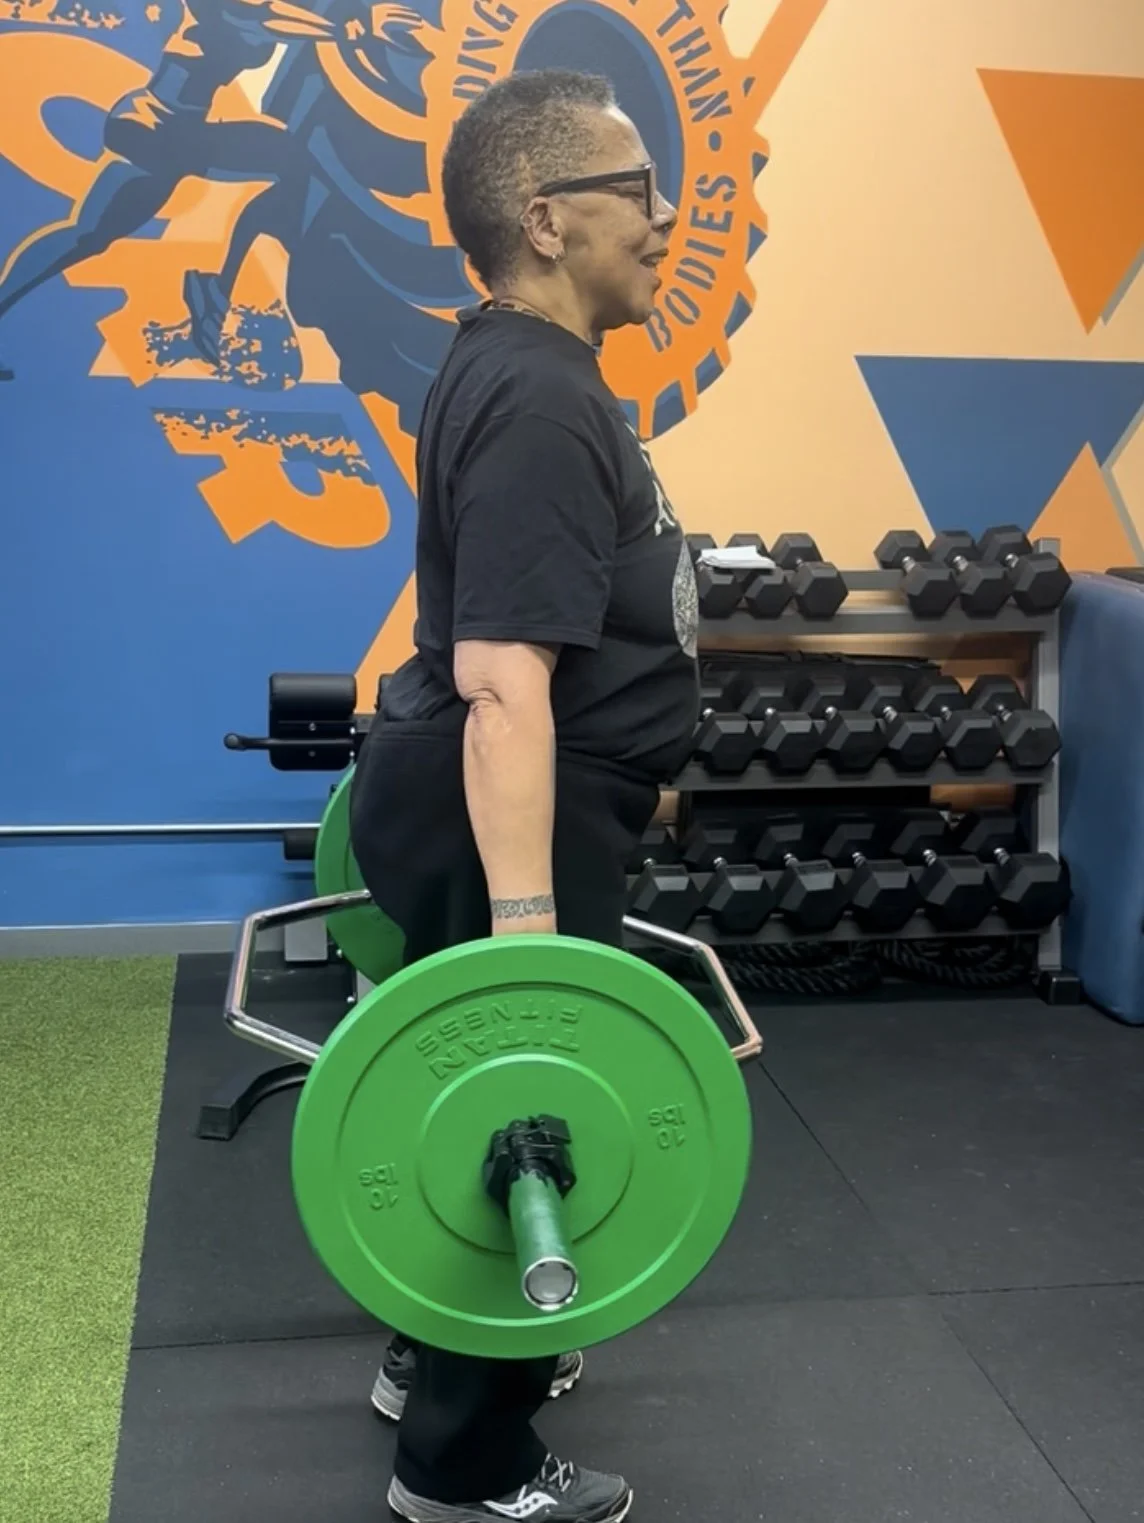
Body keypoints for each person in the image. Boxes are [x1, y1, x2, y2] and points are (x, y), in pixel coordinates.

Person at [348, 66, 698, 1523]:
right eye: (635, 193)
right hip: (513, 815)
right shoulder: (542, 395)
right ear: (549, 221)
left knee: (487, 1110)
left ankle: (425, 1356)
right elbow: (502, 680)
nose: (664, 216)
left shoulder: (517, 365)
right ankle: (463, 1463)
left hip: (517, 800)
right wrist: (532, 941)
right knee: (522, 1108)